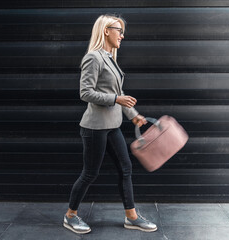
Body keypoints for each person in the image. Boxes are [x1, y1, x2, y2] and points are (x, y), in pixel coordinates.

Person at [63, 14, 158, 234]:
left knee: (126, 169)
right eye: (119, 30)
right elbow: (85, 93)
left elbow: (118, 93)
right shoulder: (93, 58)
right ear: (106, 30)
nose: (122, 36)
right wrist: (116, 99)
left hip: (112, 125)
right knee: (90, 173)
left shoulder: (110, 57)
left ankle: (131, 217)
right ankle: (70, 216)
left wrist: (133, 114)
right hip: (95, 127)